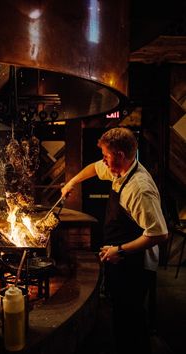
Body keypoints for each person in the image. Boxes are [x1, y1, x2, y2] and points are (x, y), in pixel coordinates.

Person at [61, 127, 168, 354]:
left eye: (106, 156)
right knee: (121, 313)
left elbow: (159, 233)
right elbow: (93, 168)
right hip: (121, 258)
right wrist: (72, 182)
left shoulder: (139, 189)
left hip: (136, 264)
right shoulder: (119, 170)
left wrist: (120, 249)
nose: (104, 161)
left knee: (131, 319)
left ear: (119, 155)